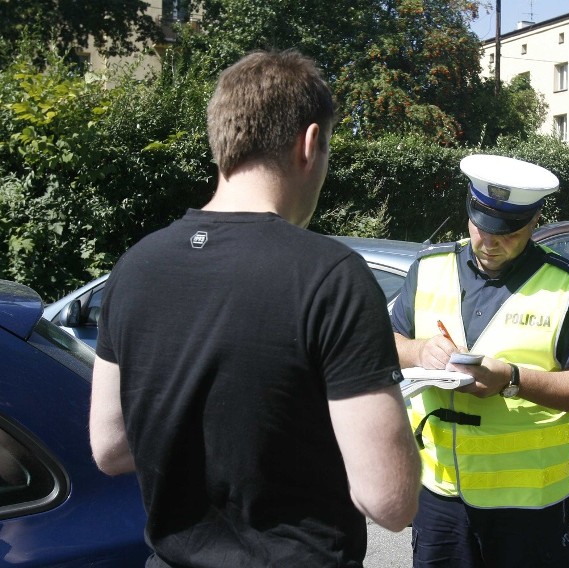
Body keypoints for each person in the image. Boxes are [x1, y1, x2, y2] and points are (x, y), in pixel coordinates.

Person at [89, 49, 422, 568]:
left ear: (222, 140)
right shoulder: (332, 277)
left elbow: (109, 448)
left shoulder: (134, 267)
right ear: (309, 144)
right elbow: (391, 500)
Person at [391, 154, 569, 568]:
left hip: (530, 506)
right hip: (441, 498)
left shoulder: (567, 285)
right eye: (481, 227)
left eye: (508, 232)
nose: (490, 242)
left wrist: (512, 378)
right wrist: (418, 351)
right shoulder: (428, 268)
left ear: (534, 223)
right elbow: (386, 343)